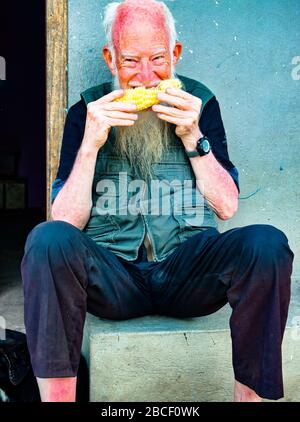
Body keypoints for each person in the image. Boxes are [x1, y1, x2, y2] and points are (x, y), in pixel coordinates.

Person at [21, 0, 294, 402]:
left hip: (188, 271)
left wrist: (193, 138)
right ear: (110, 58)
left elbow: (227, 206)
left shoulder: (200, 103)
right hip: (113, 275)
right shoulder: (86, 111)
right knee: (46, 241)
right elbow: (65, 219)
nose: (146, 77)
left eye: (158, 59)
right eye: (131, 60)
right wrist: (91, 144)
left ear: (175, 55)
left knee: (267, 245)